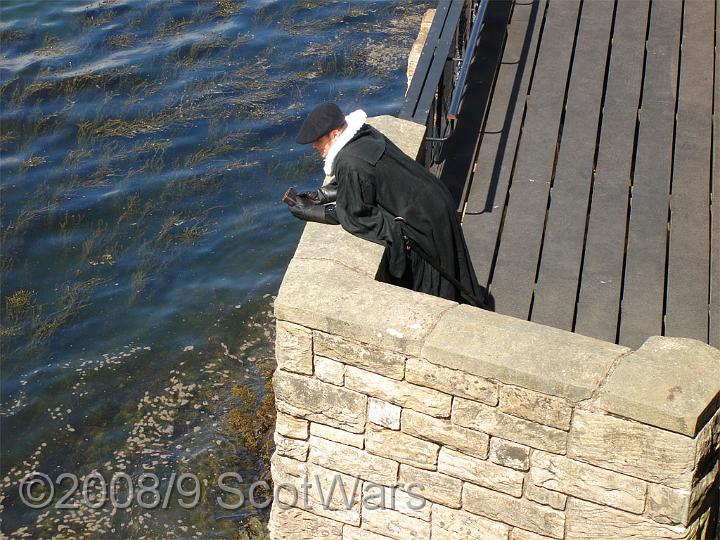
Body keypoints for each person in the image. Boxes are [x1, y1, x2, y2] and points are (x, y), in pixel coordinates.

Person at [286, 102, 489, 309]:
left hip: (423, 220)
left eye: (318, 140)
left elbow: (356, 213)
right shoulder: (364, 134)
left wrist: (310, 211)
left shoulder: (348, 161)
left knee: (438, 285)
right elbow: (368, 177)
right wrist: (322, 194)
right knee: (453, 266)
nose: (314, 145)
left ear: (336, 133)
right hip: (435, 201)